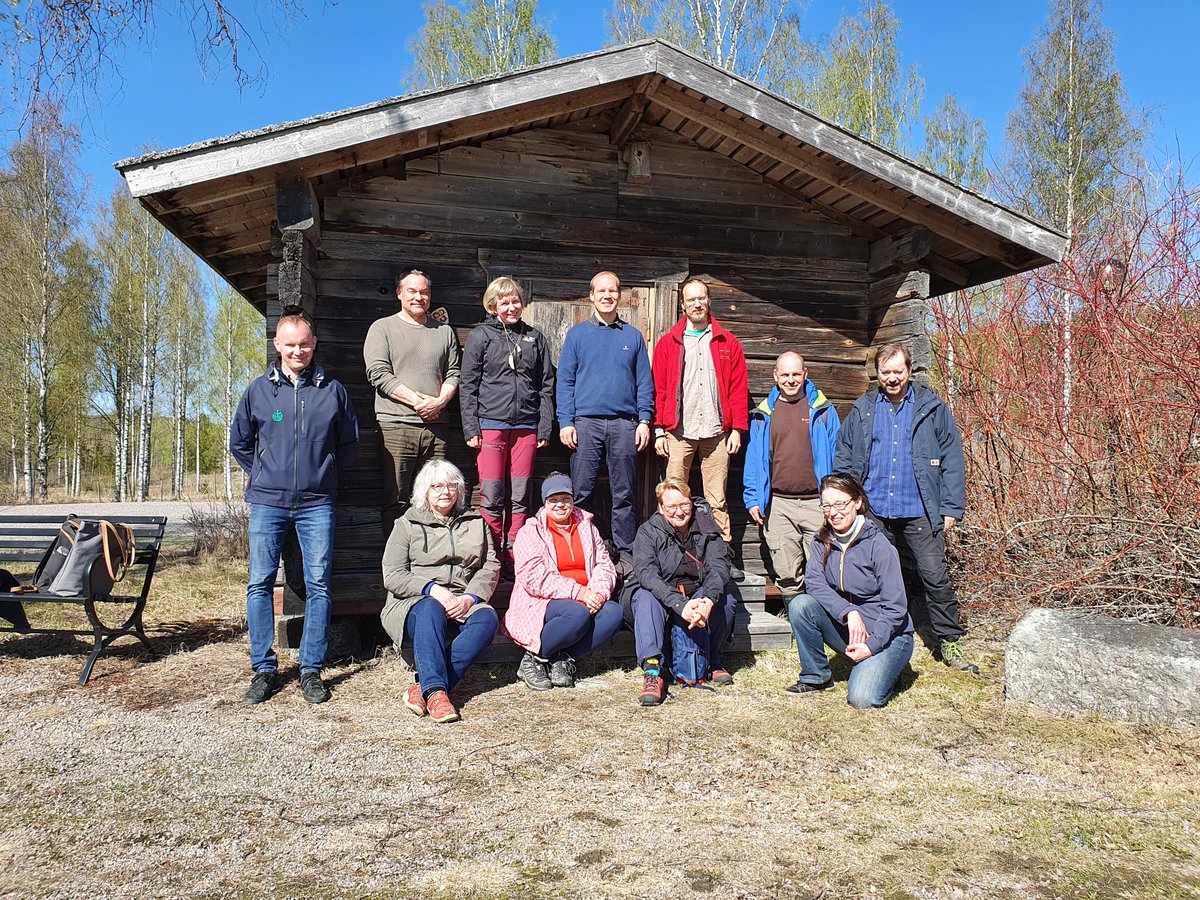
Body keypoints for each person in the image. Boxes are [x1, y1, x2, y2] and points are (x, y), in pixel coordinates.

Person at [230, 309, 360, 705]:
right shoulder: (258, 390)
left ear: (313, 344)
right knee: (260, 584)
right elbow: (240, 442)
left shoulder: (332, 390)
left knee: (319, 585)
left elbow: (349, 443)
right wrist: (266, 474)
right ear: (277, 345)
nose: (297, 350)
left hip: (317, 504)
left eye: (304, 343)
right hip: (268, 503)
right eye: (290, 344)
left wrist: (325, 473)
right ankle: (263, 670)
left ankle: (310, 670)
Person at [833, 342, 978, 674]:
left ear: (910, 371)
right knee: (873, 577)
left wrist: (952, 507)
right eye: (886, 372)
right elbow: (844, 453)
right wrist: (848, 499)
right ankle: (875, 635)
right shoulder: (865, 408)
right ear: (878, 374)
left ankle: (949, 641)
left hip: (920, 509)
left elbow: (953, 459)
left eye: (898, 371)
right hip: (875, 510)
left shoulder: (932, 407)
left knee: (934, 575)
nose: (892, 378)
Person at [380, 459, 500, 724]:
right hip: (412, 603)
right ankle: (435, 693)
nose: (445, 492)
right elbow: (393, 574)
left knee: (487, 619)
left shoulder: (475, 521)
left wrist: (470, 597)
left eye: (451, 486)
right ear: (425, 491)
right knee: (429, 607)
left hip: (460, 599)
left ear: (459, 491)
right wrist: (431, 588)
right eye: (437, 486)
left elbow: (490, 564)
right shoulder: (406, 524)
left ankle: (422, 687)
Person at [786, 474, 913, 708]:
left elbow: (896, 607)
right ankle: (816, 677)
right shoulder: (821, 540)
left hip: (888, 634)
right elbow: (814, 582)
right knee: (801, 605)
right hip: (849, 626)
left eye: (840, 504)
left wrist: (872, 646)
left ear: (857, 502)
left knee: (862, 699)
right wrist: (848, 611)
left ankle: (888, 667)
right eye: (826, 506)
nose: (833, 512)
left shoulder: (879, 545)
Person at [556, 271, 654, 556]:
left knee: (623, 492)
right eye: (602, 291)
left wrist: (644, 420)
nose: (607, 296)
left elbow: (644, 383)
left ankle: (625, 551)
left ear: (619, 296)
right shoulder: (577, 336)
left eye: (612, 291)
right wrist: (566, 421)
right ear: (592, 296)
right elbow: (565, 381)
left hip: (624, 424)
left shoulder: (633, 337)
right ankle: (581, 548)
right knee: (582, 490)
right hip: (585, 423)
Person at [459, 277, 555, 562]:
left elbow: (546, 384)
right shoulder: (481, 335)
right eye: (504, 302)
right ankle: (492, 554)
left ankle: (515, 551)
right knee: (492, 493)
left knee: (521, 494)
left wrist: (545, 426)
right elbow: (468, 384)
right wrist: (470, 426)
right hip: (491, 425)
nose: (511, 307)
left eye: (515, 301)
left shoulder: (535, 337)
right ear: (493, 305)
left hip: (526, 426)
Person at [651, 278, 748, 546]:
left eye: (701, 298)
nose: (696, 304)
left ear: (709, 301)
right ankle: (671, 549)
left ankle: (721, 555)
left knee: (717, 498)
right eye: (691, 299)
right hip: (679, 432)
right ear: (682, 304)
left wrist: (737, 429)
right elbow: (659, 389)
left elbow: (738, 389)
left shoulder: (727, 342)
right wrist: (658, 430)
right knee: (673, 496)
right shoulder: (668, 343)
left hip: (717, 432)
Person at [363, 268, 461, 537]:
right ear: (399, 293)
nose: (419, 297)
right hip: (396, 426)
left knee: (438, 499)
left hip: (436, 428)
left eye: (424, 292)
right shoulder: (382, 328)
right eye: (412, 291)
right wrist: (419, 402)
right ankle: (397, 569)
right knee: (396, 500)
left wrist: (440, 401)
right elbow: (378, 373)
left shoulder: (444, 331)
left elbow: (454, 372)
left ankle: (431, 564)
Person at [504, 472, 622, 691]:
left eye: (565, 499)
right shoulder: (531, 532)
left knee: (614, 612)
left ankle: (562, 660)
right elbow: (534, 578)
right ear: (545, 502)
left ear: (572, 499)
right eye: (553, 500)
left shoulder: (587, 526)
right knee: (576, 613)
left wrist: (597, 593)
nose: (560, 505)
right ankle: (533, 659)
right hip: (541, 600)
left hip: (586, 595)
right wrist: (579, 593)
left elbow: (603, 565)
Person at [629, 479, 738, 707]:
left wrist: (708, 599)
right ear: (661, 507)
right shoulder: (648, 532)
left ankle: (712, 659)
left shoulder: (708, 528)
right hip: (664, 596)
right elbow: (647, 574)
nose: (679, 512)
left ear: (691, 503)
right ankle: (652, 671)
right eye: (672, 507)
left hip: (698, 592)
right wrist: (680, 604)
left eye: (684, 505)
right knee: (646, 597)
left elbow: (719, 567)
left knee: (725, 600)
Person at [743, 351, 840, 597]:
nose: (790, 379)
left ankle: (823, 627)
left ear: (805, 374)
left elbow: (837, 457)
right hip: (778, 505)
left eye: (796, 374)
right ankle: (797, 627)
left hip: (816, 504)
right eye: (785, 374)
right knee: (786, 572)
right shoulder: (763, 415)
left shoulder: (824, 411)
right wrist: (753, 498)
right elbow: (754, 460)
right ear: (775, 376)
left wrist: (835, 501)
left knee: (824, 569)